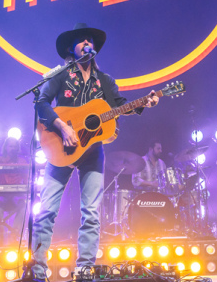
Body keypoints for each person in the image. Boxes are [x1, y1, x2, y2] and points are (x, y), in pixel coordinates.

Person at [31, 22, 158, 279]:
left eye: (90, 40)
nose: (87, 43)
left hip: (92, 151)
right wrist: (62, 127)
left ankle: (85, 270)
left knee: (91, 212)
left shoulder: (105, 81)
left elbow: (121, 105)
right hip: (59, 147)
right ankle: (37, 271)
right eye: (81, 40)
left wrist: (145, 102)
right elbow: (41, 103)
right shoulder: (61, 75)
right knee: (46, 211)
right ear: (71, 48)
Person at [0, 137, 26, 241]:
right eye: (10, 146)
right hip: (2, 193)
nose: (13, 149)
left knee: (23, 206)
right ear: (6, 147)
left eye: (15, 147)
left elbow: (26, 178)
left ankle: (14, 236)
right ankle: (0, 236)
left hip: (17, 194)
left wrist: (27, 188)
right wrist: (9, 158)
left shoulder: (22, 161)